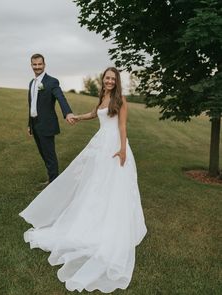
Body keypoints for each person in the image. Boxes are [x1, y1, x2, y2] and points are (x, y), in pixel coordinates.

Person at [19, 67, 147, 293]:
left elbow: (122, 125)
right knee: (94, 185)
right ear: (103, 80)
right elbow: (94, 113)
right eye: (106, 78)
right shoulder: (103, 97)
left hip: (115, 146)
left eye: (112, 79)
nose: (108, 81)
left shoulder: (121, 100)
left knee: (114, 186)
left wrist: (123, 149)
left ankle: (111, 224)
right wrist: (77, 117)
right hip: (100, 144)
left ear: (117, 82)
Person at [27, 53, 75, 185]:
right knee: (43, 154)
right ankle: (51, 179)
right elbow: (32, 105)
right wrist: (29, 124)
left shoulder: (52, 81)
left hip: (46, 124)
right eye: (34, 64)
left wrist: (68, 113)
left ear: (44, 65)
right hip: (35, 124)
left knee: (50, 156)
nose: (37, 67)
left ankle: (54, 184)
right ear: (31, 65)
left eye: (39, 64)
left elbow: (60, 97)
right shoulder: (32, 82)